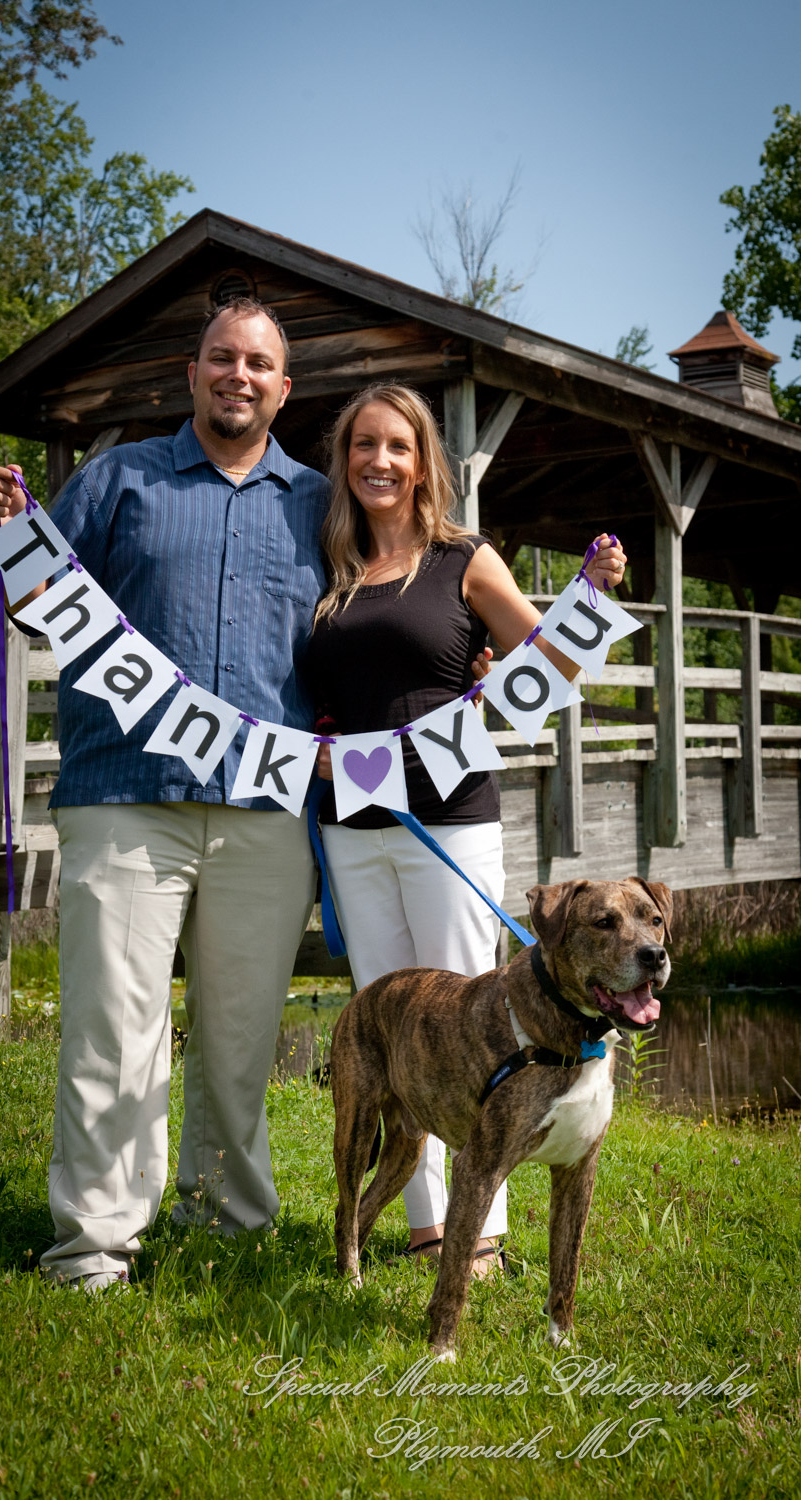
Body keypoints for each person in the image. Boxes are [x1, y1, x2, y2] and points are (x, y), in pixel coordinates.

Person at [0, 298, 330, 1289]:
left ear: (281, 387)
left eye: (258, 363)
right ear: (194, 372)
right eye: (223, 358)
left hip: (263, 810)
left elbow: (365, 626)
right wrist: (7, 536)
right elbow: (37, 606)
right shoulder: (115, 479)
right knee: (111, 1026)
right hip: (124, 793)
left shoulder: (318, 503)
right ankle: (93, 1243)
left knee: (241, 1034)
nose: (239, 376)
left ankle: (228, 1227)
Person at [307, 382, 626, 1273]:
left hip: (448, 816)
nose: (378, 461)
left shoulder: (463, 558)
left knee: (477, 1021)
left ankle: (479, 1233)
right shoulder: (330, 567)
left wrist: (589, 592)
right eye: (363, 445)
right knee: (395, 1035)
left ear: (422, 464)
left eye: (397, 447)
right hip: (349, 818)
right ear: (345, 461)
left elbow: (552, 660)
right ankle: (421, 1227)